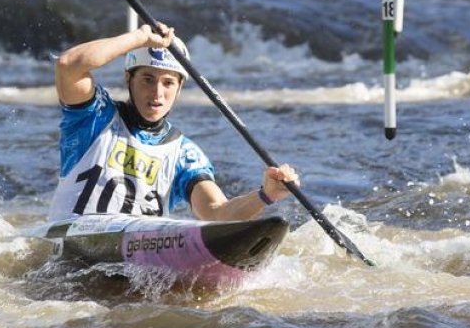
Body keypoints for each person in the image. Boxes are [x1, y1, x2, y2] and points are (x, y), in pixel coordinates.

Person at [49, 23, 297, 222]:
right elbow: (68, 65)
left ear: (179, 87)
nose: (157, 93)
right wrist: (139, 38)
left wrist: (266, 195)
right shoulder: (94, 117)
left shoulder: (184, 154)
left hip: (133, 258)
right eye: (147, 79)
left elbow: (216, 213)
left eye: (168, 82)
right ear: (128, 79)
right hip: (70, 244)